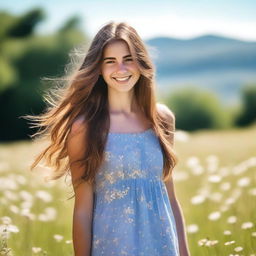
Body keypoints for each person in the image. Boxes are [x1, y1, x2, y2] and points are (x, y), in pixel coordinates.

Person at [26, 21, 190, 256]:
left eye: (128, 58)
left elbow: (171, 198)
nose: (121, 69)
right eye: (110, 61)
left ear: (141, 62)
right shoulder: (84, 127)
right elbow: (82, 209)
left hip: (162, 245)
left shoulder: (162, 119)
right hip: (113, 247)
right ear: (99, 68)